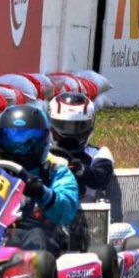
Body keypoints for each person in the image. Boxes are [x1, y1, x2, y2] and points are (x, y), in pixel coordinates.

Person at [0, 104, 79, 255]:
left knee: (36, 236)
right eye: (11, 138)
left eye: (26, 141)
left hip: (43, 236)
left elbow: (67, 211)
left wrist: (42, 192)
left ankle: (33, 275)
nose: (18, 148)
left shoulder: (54, 172)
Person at [48, 92, 118, 220]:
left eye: (77, 126)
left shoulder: (99, 153)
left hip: (87, 218)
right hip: (46, 213)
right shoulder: (42, 153)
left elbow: (101, 178)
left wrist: (81, 170)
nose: (70, 134)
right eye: (63, 125)